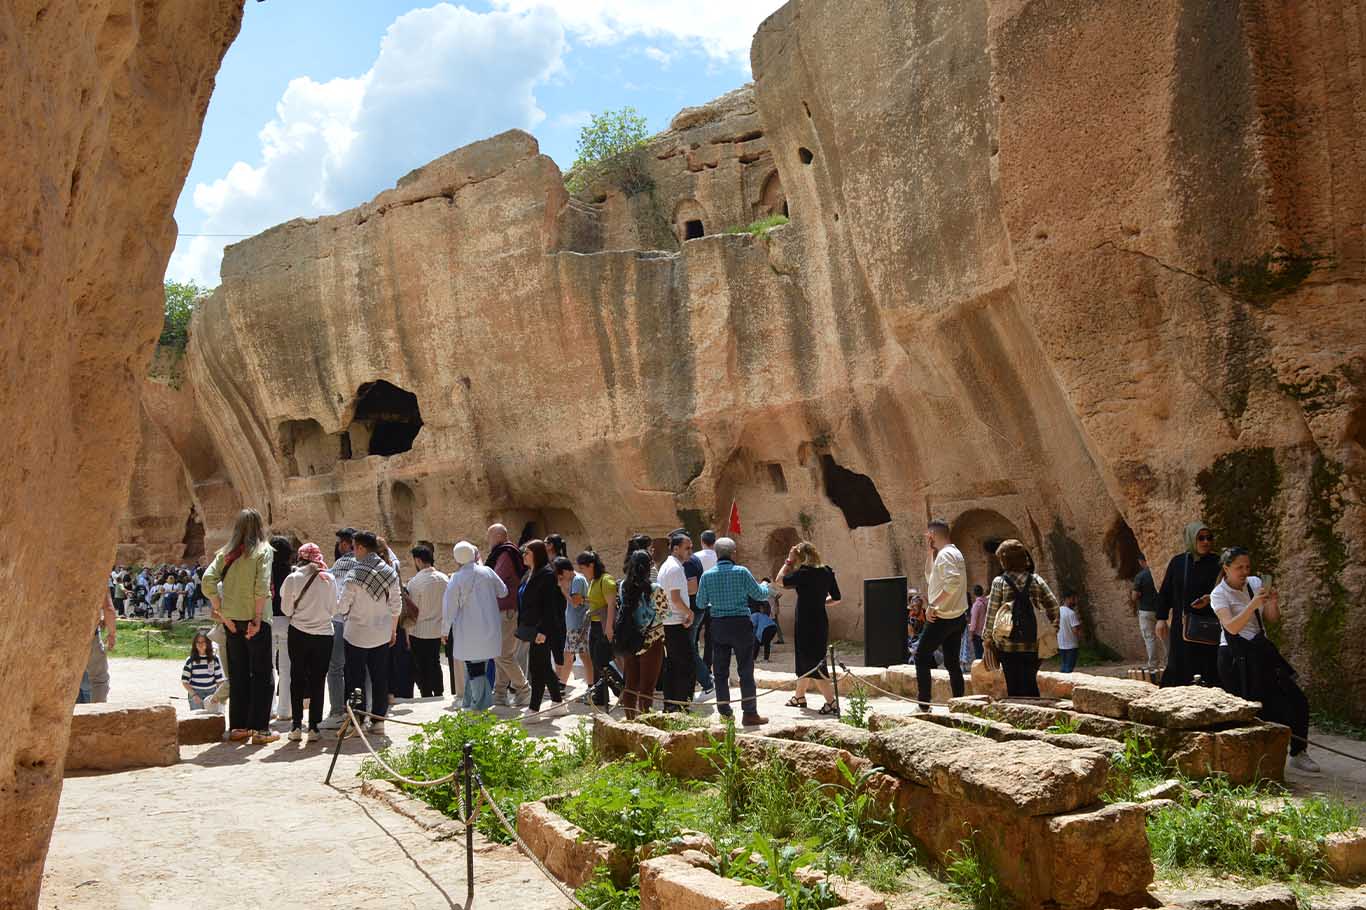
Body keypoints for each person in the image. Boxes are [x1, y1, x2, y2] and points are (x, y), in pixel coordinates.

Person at [1211, 547, 1319, 773]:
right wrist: (1252, 605)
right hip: (1235, 657)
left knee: (1296, 699)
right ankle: (1251, 762)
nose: (1244, 571)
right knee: (1250, 710)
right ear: (1226, 568)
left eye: (1247, 567)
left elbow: (1271, 619)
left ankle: (1299, 752)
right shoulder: (1218, 594)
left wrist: (1271, 602)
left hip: (1261, 651)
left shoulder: (1254, 583)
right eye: (1239, 567)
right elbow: (1231, 627)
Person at [202, 508, 276, 744]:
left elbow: (208, 580)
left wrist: (222, 613)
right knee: (263, 674)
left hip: (231, 622)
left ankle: (239, 727)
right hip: (256, 620)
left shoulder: (226, 554)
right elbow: (262, 586)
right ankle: (260, 730)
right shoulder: (264, 552)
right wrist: (256, 618)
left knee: (239, 673)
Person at [696, 537, 770, 726]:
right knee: (745, 669)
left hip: (719, 625)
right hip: (740, 625)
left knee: (720, 671)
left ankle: (725, 712)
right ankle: (749, 713)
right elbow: (760, 594)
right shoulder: (742, 572)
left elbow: (700, 603)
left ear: (717, 554)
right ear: (734, 553)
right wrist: (765, 585)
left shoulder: (707, 576)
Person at [337, 530, 402, 736]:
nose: (353, 551)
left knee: (355, 679)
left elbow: (342, 605)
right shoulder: (389, 572)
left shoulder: (354, 574)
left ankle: (357, 719)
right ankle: (378, 721)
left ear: (362, 548)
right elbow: (396, 605)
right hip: (381, 633)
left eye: (355, 547)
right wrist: (393, 630)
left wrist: (345, 612)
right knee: (379, 677)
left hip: (355, 633)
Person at [984, 539, 1060, 697]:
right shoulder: (1036, 580)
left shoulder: (999, 582)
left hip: (1007, 644)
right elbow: (1053, 605)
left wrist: (987, 638)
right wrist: (1052, 629)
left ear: (1004, 560)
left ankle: (1019, 713)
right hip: (1032, 642)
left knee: (1013, 684)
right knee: (1030, 681)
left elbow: (992, 613)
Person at [280, 543, 338, 741]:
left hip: (299, 633)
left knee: (297, 678)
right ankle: (314, 727)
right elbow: (333, 610)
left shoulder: (292, 578)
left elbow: (287, 610)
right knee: (318, 681)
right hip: (323, 635)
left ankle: (296, 726)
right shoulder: (329, 579)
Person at [1156, 521, 1222, 687]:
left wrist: (1210, 598)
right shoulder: (1178, 563)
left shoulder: (1218, 563)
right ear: (1191, 539)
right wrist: (1161, 619)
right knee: (1181, 666)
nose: (1206, 542)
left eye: (1209, 537)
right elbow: (1166, 592)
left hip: (1210, 624)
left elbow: (1227, 590)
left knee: (1210, 666)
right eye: (1201, 538)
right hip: (1183, 625)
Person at [778, 542, 840, 714]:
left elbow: (779, 581)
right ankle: (799, 697)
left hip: (805, 623)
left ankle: (831, 702)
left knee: (814, 662)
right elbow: (837, 598)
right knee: (806, 659)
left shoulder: (803, 573)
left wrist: (788, 562)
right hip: (820, 621)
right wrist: (820, 603)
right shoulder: (827, 571)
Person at [444, 541, 507, 711]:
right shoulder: (487, 572)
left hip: (468, 630)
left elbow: (449, 608)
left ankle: (479, 705)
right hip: (490, 627)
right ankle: (470, 701)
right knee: (477, 667)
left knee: (473, 667)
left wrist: (444, 630)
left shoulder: (457, 578)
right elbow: (503, 591)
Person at [917, 518, 968, 710]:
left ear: (932, 534)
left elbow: (952, 583)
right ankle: (960, 703)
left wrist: (932, 605)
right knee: (952, 662)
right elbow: (931, 578)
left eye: (927, 534)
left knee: (921, 656)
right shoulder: (951, 553)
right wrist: (930, 552)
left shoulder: (946, 555)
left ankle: (923, 704)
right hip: (957, 618)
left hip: (942, 617)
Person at [614, 548, 666, 720]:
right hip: (652, 640)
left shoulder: (622, 586)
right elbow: (665, 613)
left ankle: (630, 720)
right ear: (649, 567)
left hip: (629, 639)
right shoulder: (655, 588)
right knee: (647, 687)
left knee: (630, 684)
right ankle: (645, 723)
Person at [517, 540, 565, 717]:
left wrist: (543, 631)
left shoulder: (546, 574)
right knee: (543, 666)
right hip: (531, 627)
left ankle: (534, 708)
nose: (524, 556)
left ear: (536, 554)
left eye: (527, 553)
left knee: (537, 668)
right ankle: (558, 703)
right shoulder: (529, 574)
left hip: (542, 629)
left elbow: (549, 607)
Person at [486, 524, 531, 707]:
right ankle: (500, 694)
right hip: (505, 610)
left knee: (502, 655)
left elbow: (495, 579)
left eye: (489, 537)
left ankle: (523, 689)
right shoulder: (507, 552)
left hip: (507, 611)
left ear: (497, 537)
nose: (488, 541)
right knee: (501, 654)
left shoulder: (504, 554)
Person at [320, 528, 359, 731]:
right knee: (360, 668)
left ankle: (337, 712)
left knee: (335, 669)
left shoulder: (338, 565)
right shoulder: (364, 565)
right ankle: (362, 711)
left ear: (345, 544)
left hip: (338, 621)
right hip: (359, 623)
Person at [657, 531, 696, 713]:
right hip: (675, 623)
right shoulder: (674, 568)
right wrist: (689, 613)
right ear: (675, 548)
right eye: (687, 548)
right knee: (685, 666)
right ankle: (681, 706)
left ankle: (671, 705)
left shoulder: (669, 566)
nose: (690, 551)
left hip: (669, 622)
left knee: (673, 665)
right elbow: (675, 598)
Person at [407, 544, 451, 699]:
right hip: (437, 628)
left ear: (418, 560)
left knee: (421, 664)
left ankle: (426, 692)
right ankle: (438, 691)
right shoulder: (444, 578)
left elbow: (412, 609)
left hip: (419, 629)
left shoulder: (415, 582)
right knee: (435, 661)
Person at [577, 550, 621, 708]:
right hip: (594, 625)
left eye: (583, 568)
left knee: (601, 660)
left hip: (603, 625)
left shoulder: (606, 580)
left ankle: (621, 689)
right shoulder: (594, 581)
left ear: (591, 565)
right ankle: (600, 696)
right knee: (595, 660)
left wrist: (609, 628)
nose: (581, 571)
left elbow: (611, 605)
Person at [268, 536, 294, 723]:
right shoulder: (291, 573)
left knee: (267, 667)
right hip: (287, 620)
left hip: (268, 620)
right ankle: (285, 710)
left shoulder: (264, 572)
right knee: (286, 668)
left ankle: (269, 708)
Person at [77, 592, 118, 704]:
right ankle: (97, 714)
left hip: (59, 635)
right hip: (89, 634)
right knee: (98, 679)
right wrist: (112, 634)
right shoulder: (96, 575)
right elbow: (108, 608)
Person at [556, 556, 590, 688]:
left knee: (580, 656)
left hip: (578, 624)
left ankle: (564, 685)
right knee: (572, 655)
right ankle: (563, 684)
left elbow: (575, 603)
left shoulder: (577, 580)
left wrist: (564, 590)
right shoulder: (576, 580)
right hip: (574, 624)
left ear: (565, 571)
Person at [1131, 553, 1164, 671]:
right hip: (1161, 610)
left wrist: (1139, 594)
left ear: (1141, 561)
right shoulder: (1159, 572)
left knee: (1149, 638)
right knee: (1165, 637)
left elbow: (1134, 596)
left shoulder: (1140, 576)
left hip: (1145, 611)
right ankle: (1170, 662)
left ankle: (1153, 664)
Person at [181, 632, 224, 711]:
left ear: (207, 643)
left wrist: (218, 696)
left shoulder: (214, 659)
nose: (200, 644)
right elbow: (184, 681)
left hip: (212, 694)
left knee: (212, 719)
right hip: (196, 693)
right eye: (198, 642)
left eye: (203, 642)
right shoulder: (190, 660)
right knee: (197, 720)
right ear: (195, 644)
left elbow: (220, 681)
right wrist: (194, 695)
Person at [1058, 591, 1083, 673]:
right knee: (1069, 669)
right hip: (1071, 645)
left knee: (1063, 666)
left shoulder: (1058, 611)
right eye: (1073, 599)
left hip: (1061, 644)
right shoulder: (1071, 613)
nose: (1075, 601)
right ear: (1067, 599)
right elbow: (1075, 630)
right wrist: (1080, 637)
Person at [968, 585, 988, 660]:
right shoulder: (987, 602)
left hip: (978, 634)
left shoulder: (977, 605)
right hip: (986, 632)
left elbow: (974, 621)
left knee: (979, 655)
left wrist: (971, 634)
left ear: (974, 593)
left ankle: (980, 670)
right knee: (986, 655)